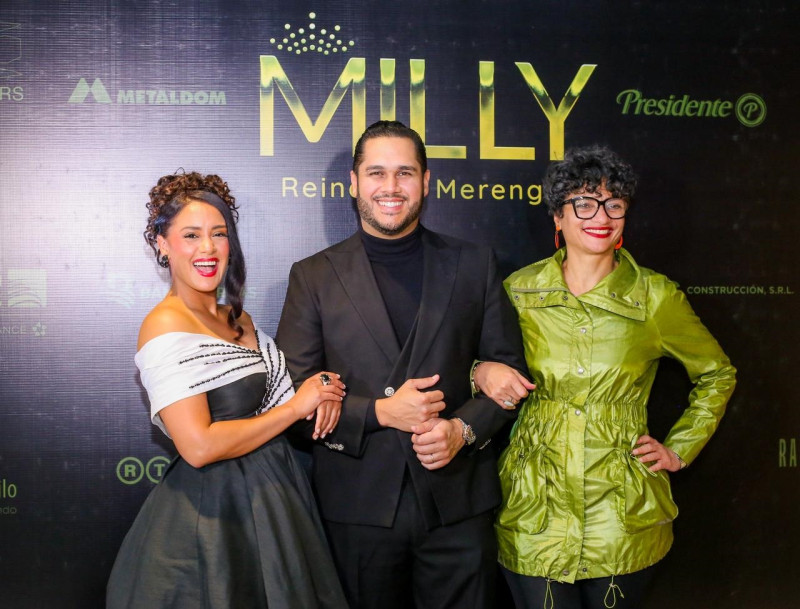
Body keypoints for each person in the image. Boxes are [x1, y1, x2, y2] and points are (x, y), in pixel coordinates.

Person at [275, 120, 531, 609]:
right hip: (357, 509)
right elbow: (292, 402)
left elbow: (508, 372)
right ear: (353, 183)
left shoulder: (474, 264)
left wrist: (463, 430)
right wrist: (379, 413)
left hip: (458, 506)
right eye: (376, 173)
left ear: (427, 181)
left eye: (404, 173)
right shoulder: (313, 277)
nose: (390, 188)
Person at [474, 146, 737, 608]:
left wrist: (679, 448)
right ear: (558, 216)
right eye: (584, 202)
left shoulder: (654, 297)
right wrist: (480, 371)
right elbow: (467, 363)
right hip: (537, 506)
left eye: (614, 203)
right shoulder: (518, 291)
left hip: (621, 513)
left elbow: (717, 374)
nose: (601, 216)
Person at [106, 172, 348, 609]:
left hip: (278, 500)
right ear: (162, 243)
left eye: (219, 234)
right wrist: (297, 407)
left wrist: (323, 387)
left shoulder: (240, 318)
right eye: (191, 235)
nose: (207, 248)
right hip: (213, 520)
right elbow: (198, 446)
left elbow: (286, 395)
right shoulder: (163, 324)